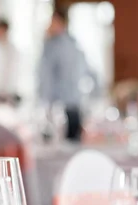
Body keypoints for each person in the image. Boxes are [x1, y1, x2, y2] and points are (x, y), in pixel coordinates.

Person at [38, 9, 94, 141]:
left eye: (53, 22)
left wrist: (47, 100)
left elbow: (49, 75)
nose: (50, 25)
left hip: (64, 102)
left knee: (65, 142)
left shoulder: (59, 44)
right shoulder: (68, 43)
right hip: (68, 101)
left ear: (61, 23)